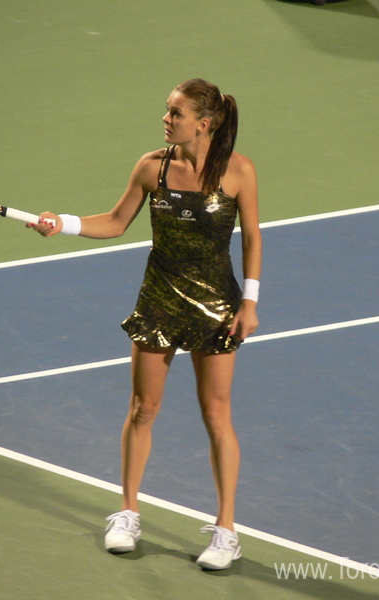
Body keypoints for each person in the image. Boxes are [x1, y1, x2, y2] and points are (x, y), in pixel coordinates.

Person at [28, 78, 262, 571]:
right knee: (142, 407)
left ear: (202, 123)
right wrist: (62, 222)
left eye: (175, 112)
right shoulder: (151, 167)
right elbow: (115, 221)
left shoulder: (239, 171)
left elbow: (252, 241)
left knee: (216, 414)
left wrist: (250, 303)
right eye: (166, 111)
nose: (165, 118)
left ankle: (226, 531)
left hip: (217, 303)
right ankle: (128, 513)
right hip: (159, 298)